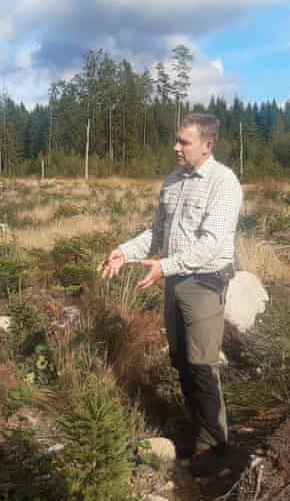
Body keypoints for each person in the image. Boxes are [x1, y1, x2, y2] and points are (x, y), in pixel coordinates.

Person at [97, 113, 242, 476]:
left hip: (205, 282)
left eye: (184, 142)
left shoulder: (224, 183)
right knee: (180, 360)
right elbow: (156, 234)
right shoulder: (173, 182)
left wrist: (165, 266)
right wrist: (124, 252)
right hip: (175, 279)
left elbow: (211, 245)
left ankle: (214, 447)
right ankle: (196, 426)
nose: (175, 147)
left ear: (207, 145)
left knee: (202, 364)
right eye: (176, 140)